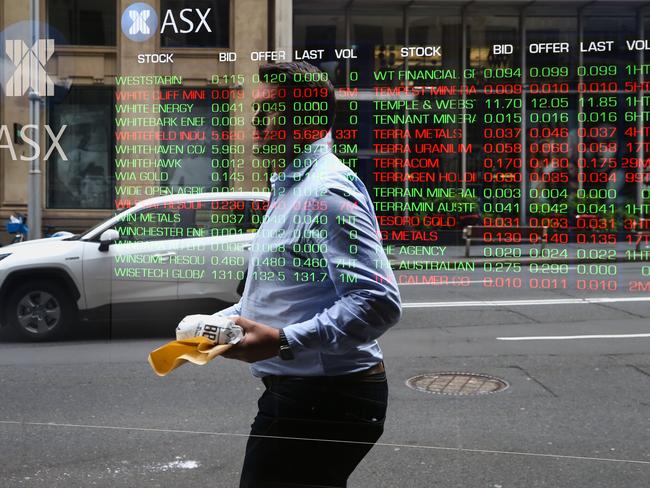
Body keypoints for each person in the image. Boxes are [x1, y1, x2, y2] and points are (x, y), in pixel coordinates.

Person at [213, 61, 402, 488]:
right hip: (306, 395)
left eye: (271, 108)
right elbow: (289, 292)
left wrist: (281, 341)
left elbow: (377, 303)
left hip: (325, 400)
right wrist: (224, 321)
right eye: (255, 109)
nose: (256, 120)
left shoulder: (325, 191)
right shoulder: (291, 187)